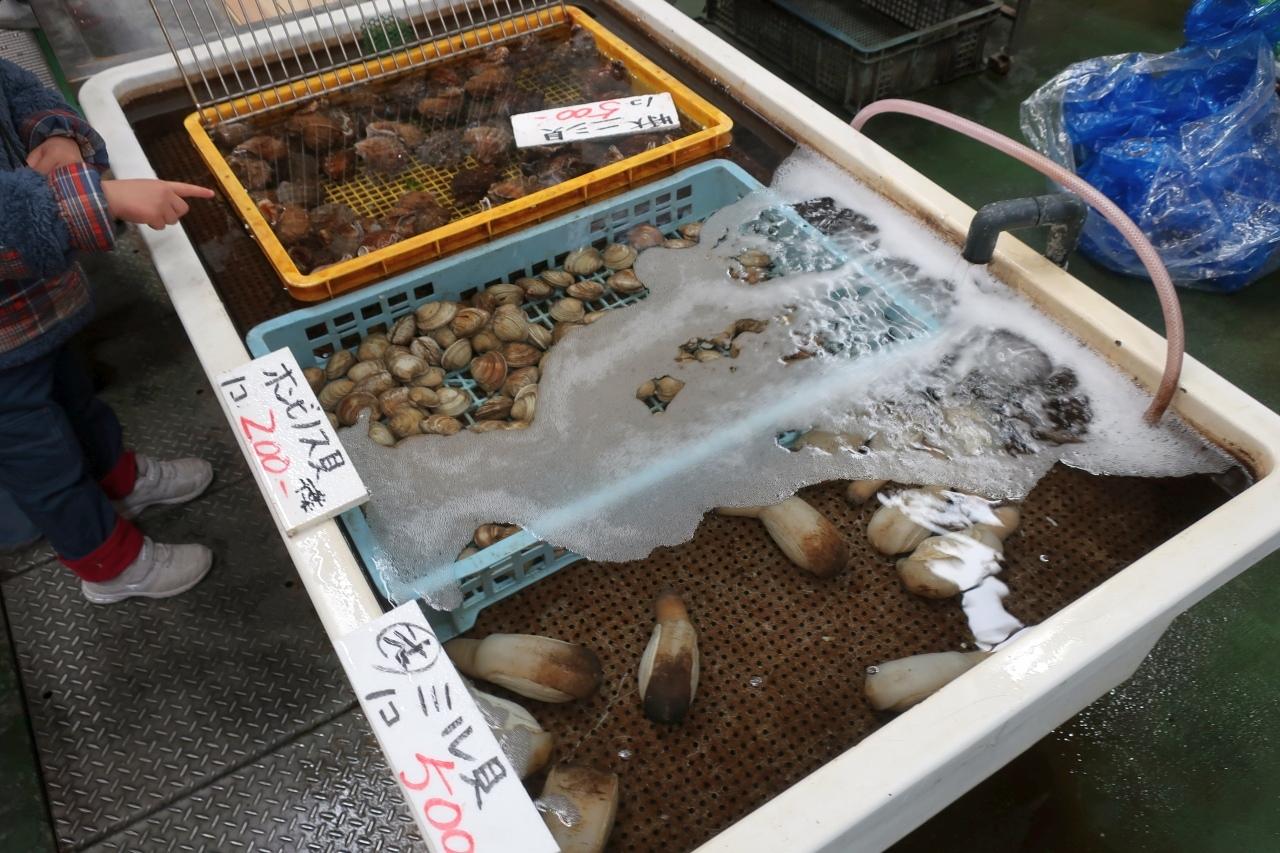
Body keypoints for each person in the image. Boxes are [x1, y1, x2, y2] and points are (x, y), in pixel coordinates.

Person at [0, 57, 220, 604]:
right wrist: (99, 198)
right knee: (42, 462)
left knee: (76, 402)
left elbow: (12, 85)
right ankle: (110, 565)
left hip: (35, 309)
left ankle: (120, 483)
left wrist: (55, 135)